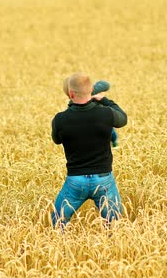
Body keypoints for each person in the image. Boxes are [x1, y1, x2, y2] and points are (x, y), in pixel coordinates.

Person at [51, 73, 128, 229]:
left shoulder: (60, 119)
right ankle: (115, 250)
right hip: (103, 179)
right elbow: (123, 119)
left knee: (57, 222)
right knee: (115, 227)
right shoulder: (106, 114)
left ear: (71, 94)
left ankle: (61, 250)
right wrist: (104, 100)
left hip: (75, 181)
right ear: (92, 90)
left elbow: (57, 139)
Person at [63, 78, 119, 147]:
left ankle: (115, 144)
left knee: (111, 132)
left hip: (101, 117)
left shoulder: (93, 90)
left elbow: (106, 85)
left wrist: (92, 92)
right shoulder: (73, 103)